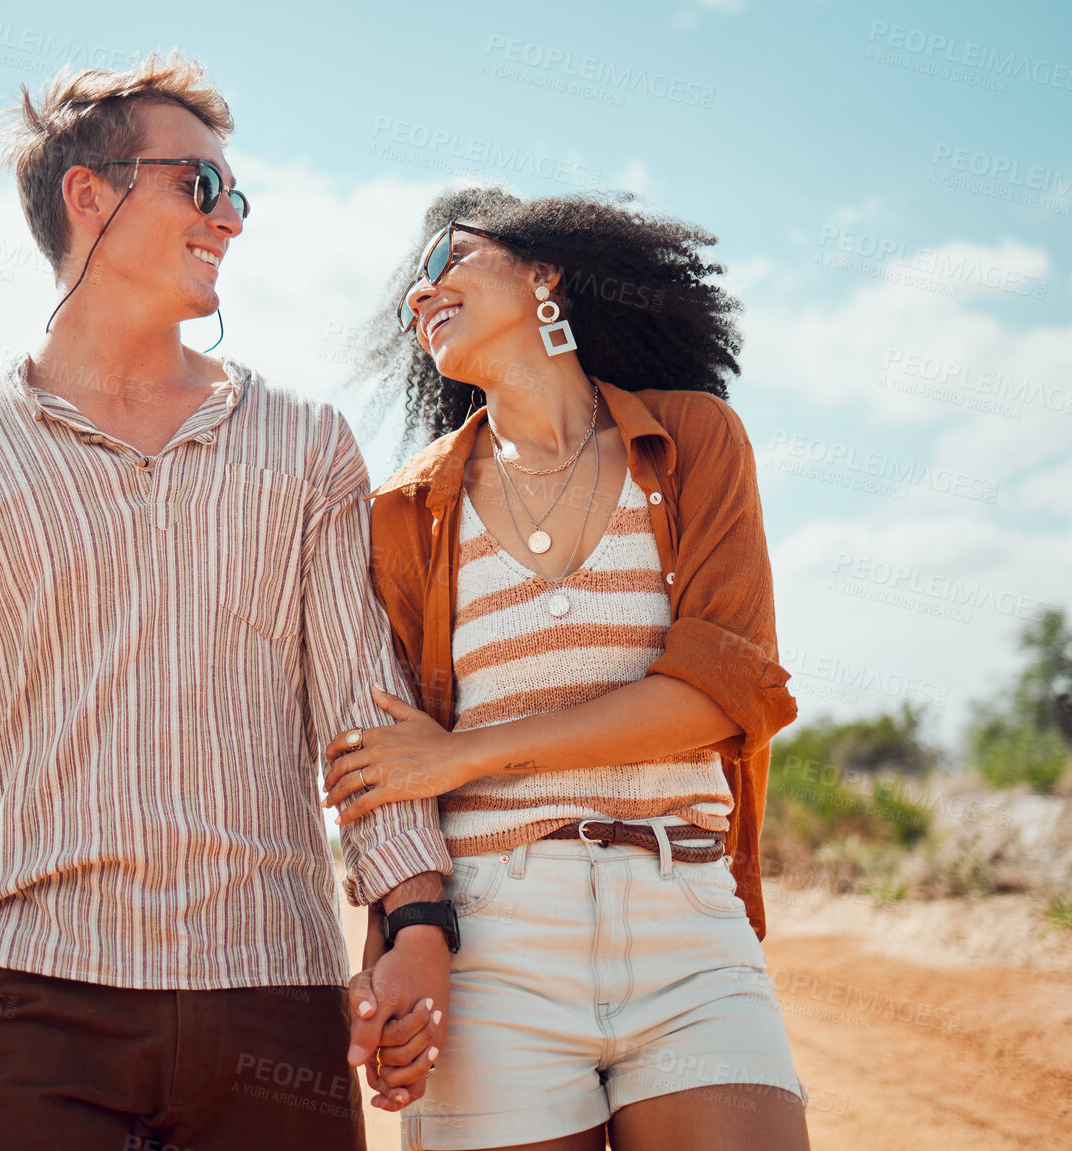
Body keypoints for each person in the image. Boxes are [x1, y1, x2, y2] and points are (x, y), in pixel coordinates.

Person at [0, 53, 451, 1151]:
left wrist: (414, 912)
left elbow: (361, 708)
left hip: (271, 986)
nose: (229, 218)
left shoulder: (308, 446)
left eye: (236, 194)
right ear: (90, 196)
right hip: (32, 1001)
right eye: (201, 185)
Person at [320, 186, 812, 1150]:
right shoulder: (404, 513)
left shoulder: (694, 441)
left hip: (687, 914)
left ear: (543, 270)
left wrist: (462, 755)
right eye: (408, 295)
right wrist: (391, 950)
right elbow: (381, 756)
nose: (420, 297)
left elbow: (711, 697)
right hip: (495, 934)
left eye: (443, 263)